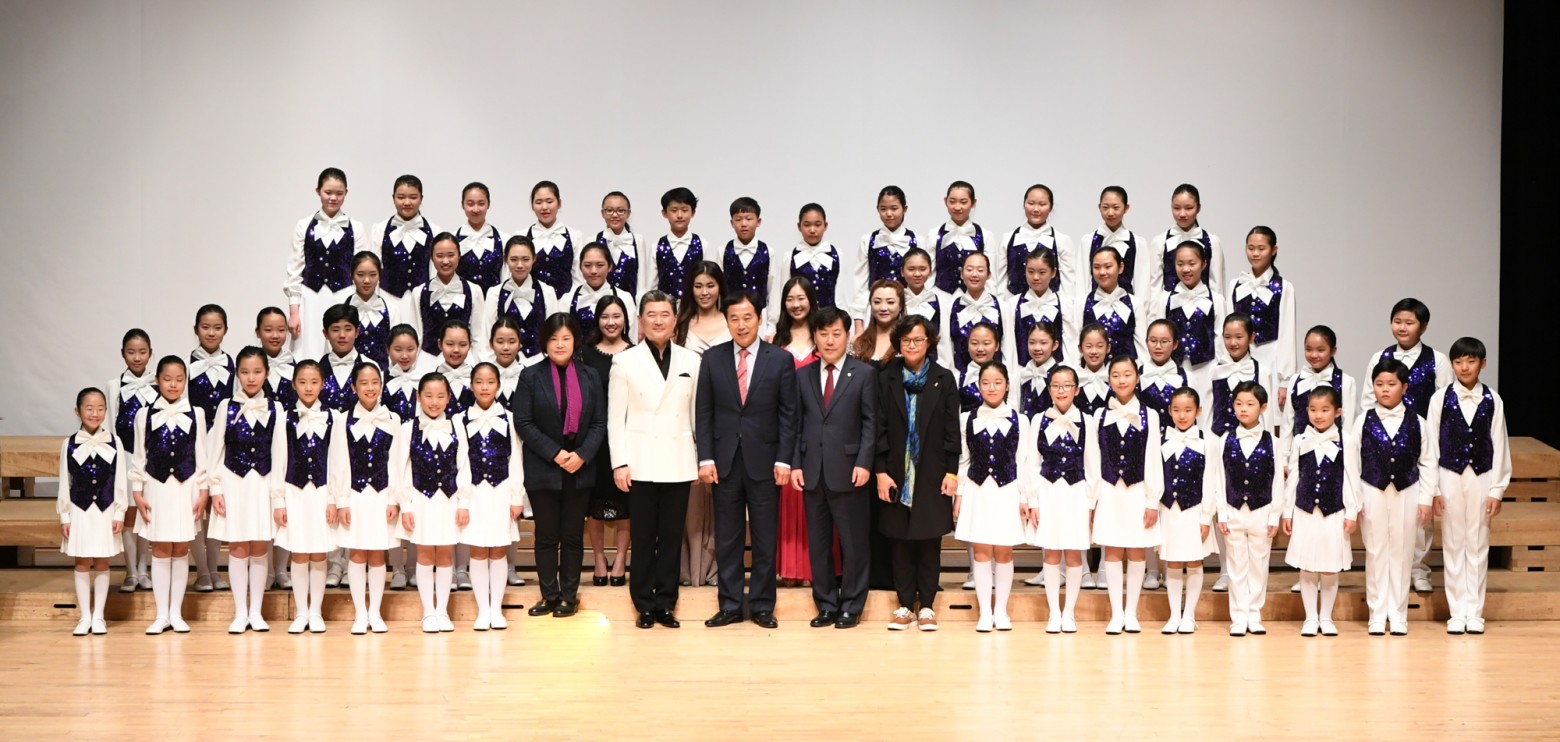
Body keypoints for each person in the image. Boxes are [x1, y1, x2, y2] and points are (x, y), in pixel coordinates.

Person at [696, 291, 798, 628]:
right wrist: (705, 458)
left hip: (766, 461)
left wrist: (784, 460)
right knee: (728, 538)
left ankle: (762, 605)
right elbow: (704, 412)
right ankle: (729, 605)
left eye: (747, 317)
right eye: (734, 318)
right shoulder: (712, 358)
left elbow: (789, 415)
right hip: (724, 461)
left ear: (759, 319)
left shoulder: (779, 359)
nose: (741, 325)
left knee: (765, 538)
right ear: (727, 321)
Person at [608, 292, 701, 629]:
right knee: (644, 536)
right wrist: (619, 462)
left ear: (675, 320)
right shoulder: (625, 362)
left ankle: (666, 604)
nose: (658, 320)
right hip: (640, 461)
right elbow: (614, 418)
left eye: (664, 314)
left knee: (672, 537)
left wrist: (698, 459)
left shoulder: (692, 360)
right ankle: (644, 605)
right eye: (651, 314)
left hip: (678, 460)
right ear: (640, 321)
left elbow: (696, 416)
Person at [515, 314, 606, 618]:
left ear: (575, 341)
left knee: (571, 536)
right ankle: (549, 595)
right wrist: (555, 453)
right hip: (544, 466)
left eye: (566, 338)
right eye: (553, 339)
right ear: (544, 342)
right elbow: (523, 422)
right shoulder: (530, 376)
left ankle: (568, 595)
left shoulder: (590, 376)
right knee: (546, 535)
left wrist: (581, 455)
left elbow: (599, 423)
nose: (559, 344)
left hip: (579, 467)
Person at [792, 307, 878, 629]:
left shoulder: (864, 374)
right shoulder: (803, 375)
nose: (830, 340)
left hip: (850, 470)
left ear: (847, 335)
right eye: (823, 334)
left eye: (836, 334)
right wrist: (796, 464)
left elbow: (871, 423)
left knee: (853, 544)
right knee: (819, 544)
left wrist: (864, 462)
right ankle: (826, 604)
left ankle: (852, 605)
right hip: (812, 471)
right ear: (815, 337)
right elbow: (796, 424)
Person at [1361, 297, 1452, 594]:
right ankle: (1387, 570)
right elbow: (1367, 401)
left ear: (1422, 327)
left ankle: (1419, 568)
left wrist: (1432, 442)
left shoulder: (1437, 360)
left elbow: (1442, 404)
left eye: (1409, 322)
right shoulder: (1380, 357)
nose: (1402, 327)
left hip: (1419, 441)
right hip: (1384, 441)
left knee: (1419, 509)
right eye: (1397, 321)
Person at [875, 316, 958, 631]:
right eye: (906, 340)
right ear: (898, 342)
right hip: (895, 471)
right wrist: (880, 471)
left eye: (918, 340)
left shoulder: (943, 378)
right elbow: (879, 427)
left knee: (929, 540)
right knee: (900, 541)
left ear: (929, 342)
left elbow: (952, 430)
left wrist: (951, 472)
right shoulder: (887, 377)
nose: (912, 345)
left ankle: (927, 607)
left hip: (932, 470)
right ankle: (904, 605)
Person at [1428, 337, 1511, 635]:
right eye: (1458, 361)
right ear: (1452, 364)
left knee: (1477, 542)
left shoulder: (1493, 399)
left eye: (1471, 361)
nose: (1464, 367)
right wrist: (1434, 489)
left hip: (1481, 476)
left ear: (1482, 364)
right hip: (1448, 475)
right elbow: (1431, 445)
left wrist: (1497, 490)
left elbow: (1499, 444)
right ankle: (1456, 612)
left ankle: (1474, 611)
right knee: (1453, 543)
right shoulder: (1439, 398)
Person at [1351, 359, 1439, 636]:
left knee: (1402, 553)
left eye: (1391, 384)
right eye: (1379, 384)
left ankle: (1399, 614)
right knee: (1376, 552)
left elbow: (1428, 462)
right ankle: (1377, 614)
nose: (1385, 390)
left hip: (1407, 491)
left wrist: (1426, 499)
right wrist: (1355, 499)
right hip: (1372, 490)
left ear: (1405, 387)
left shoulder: (1418, 422)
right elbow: (1352, 462)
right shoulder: (1362, 420)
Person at [130, 356, 209, 634]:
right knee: (162, 548)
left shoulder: (196, 413)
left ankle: (176, 613)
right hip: (157, 487)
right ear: (157, 380)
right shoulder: (144, 415)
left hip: (186, 487)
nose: (173, 384)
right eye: (167, 379)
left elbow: (201, 456)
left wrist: (204, 491)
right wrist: (137, 492)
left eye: (179, 379)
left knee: (180, 548)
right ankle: (161, 614)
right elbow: (139, 457)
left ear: (185, 381)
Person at [206, 347, 283, 634]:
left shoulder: (276, 408)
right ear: (237, 374)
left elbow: (280, 454)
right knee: (238, 546)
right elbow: (215, 450)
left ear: (267, 373)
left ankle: (256, 612)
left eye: (257, 372)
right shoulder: (225, 406)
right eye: (245, 372)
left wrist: (277, 495)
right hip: (233, 483)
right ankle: (240, 612)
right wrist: (215, 489)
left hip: (262, 482)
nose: (251, 378)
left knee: (260, 546)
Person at [957, 361, 1036, 633]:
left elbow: (1024, 461)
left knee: (1003, 551)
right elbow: (964, 460)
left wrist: (1026, 497)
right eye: (986, 383)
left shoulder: (1020, 420)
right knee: (981, 552)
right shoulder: (966, 418)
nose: (991, 388)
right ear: (978, 386)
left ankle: (1001, 610)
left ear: (1007, 385)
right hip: (977, 489)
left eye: (997, 382)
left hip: (1007, 490)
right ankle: (985, 612)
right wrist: (959, 494)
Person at [1088, 355, 1164, 635]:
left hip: (1138, 490)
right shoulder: (1099, 415)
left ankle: (1131, 612)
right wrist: (1092, 499)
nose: (1122, 380)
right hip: (1109, 491)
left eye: (1127, 374)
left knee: (1135, 549)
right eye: (1116, 375)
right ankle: (1116, 613)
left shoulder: (1150, 415)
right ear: (1109, 379)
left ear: (1137, 377)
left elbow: (1153, 458)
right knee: (1111, 550)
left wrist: (1152, 500)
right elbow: (1093, 460)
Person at [1281, 385, 1359, 637]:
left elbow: (1351, 478)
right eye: (1313, 409)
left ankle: (1326, 616)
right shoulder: (1300, 440)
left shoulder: (1347, 441)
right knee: (1307, 565)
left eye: (1324, 410)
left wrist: (1352, 511)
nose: (1318, 415)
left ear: (1337, 412)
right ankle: (1310, 617)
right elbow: (1294, 477)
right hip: (1305, 510)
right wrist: (1287, 512)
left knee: (1329, 565)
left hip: (1333, 511)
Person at [395, 373, 469, 634]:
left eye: (440, 396)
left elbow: (464, 466)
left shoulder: (457, 427)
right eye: (428, 396)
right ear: (418, 397)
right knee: (425, 553)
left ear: (448, 398)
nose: (434, 402)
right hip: (421, 500)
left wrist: (464, 502)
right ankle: (428, 611)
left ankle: (443, 611)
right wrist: (405, 506)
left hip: (449, 500)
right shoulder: (408, 429)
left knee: (445, 554)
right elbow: (400, 470)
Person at [330, 362, 401, 634]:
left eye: (375, 382)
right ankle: (360, 613)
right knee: (358, 553)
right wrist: (342, 502)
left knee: (378, 554)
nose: (370, 388)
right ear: (353, 387)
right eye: (364, 383)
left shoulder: (393, 419)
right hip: (355, 496)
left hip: (382, 495)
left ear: (381, 385)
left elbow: (396, 462)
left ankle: (376, 612)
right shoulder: (342, 420)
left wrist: (394, 498)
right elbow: (339, 461)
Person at [456, 363, 527, 629]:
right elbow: (461, 464)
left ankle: (496, 609)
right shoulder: (460, 419)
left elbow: (516, 460)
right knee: (477, 550)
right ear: (471, 385)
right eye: (479, 382)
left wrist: (517, 497)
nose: (484, 387)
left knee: (498, 550)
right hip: (474, 493)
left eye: (490, 382)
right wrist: (463, 501)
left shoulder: (509, 418)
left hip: (501, 493)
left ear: (498, 385)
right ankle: (482, 610)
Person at [674, 262, 728, 588]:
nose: (704, 292)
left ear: (720, 287)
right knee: (690, 496)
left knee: (722, 494)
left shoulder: (731, 320)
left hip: (725, 415)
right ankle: (689, 569)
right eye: (698, 286)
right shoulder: (680, 324)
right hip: (685, 415)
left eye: (710, 285)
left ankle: (716, 567)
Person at [1027, 366, 1093, 632]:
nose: (1061, 390)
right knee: (1052, 552)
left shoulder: (1087, 420)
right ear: (1049, 389)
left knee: (1074, 553)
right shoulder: (1038, 420)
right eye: (1056, 385)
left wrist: (1091, 502)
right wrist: (1033, 500)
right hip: (1048, 491)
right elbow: (1032, 463)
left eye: (1067, 386)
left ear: (1076, 390)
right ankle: (1054, 612)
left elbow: (1093, 464)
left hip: (1077, 492)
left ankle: (1069, 613)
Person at [275, 361, 338, 634]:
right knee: (299, 551)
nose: (308, 387)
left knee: (319, 551)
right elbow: (279, 459)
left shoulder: (334, 417)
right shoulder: (284, 417)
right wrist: (279, 500)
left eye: (314, 382)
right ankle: (301, 612)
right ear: (293, 384)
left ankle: (316, 612)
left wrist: (334, 498)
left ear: (322, 384)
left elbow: (337, 461)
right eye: (302, 382)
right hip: (294, 492)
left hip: (322, 492)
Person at [59, 388, 129, 636]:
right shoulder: (69, 443)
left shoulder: (115, 442)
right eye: (89, 408)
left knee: (101, 560)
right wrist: (64, 515)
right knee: (81, 561)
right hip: (79, 510)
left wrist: (120, 512)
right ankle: (84, 616)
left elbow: (120, 480)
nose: (95, 413)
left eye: (100, 408)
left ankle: (99, 616)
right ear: (77, 411)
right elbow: (64, 482)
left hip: (105, 510)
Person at [1216, 381, 1283, 637]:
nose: (1243, 409)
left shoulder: (1273, 441)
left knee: (1259, 565)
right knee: (1236, 566)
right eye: (1238, 404)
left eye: (1250, 404)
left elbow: (1278, 481)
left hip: (1261, 511)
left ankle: (1254, 614)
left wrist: (1274, 515)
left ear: (1263, 407)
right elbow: (1219, 478)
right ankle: (1238, 616)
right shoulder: (1225, 439)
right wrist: (1222, 512)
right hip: (1233, 510)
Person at [285, 167, 368, 360]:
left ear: (346, 193)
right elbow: (294, 271)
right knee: (309, 353)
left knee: (342, 352)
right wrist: (294, 312)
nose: (333, 198)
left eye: (339, 193)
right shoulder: (304, 225)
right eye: (328, 192)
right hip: (310, 298)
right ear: (318, 191)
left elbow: (363, 270)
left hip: (344, 297)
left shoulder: (356, 227)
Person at [1157, 388, 1219, 634]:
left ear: (1199, 411)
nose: (1182, 415)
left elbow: (1210, 481)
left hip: (1195, 510)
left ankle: (1189, 615)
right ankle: (1174, 615)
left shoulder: (1207, 442)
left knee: (1194, 559)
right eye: (1176, 410)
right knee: (1173, 561)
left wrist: (1206, 517)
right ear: (1170, 411)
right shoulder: (1162, 440)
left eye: (1188, 410)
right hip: (1169, 510)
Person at [580, 296, 633, 586]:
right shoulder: (584, 353)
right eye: (605, 317)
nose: (611, 322)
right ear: (597, 320)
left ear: (625, 319)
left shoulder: (636, 352)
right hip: (594, 440)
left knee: (626, 502)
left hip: (628, 438)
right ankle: (599, 558)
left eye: (616, 316)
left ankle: (621, 559)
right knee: (594, 505)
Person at [772, 277, 821, 587]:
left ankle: (816, 571)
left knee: (816, 501)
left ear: (811, 300)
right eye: (790, 298)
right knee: (789, 499)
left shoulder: (824, 337)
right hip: (784, 432)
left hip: (818, 431)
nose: (796, 304)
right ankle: (790, 570)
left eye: (801, 298)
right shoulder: (774, 341)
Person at [185, 305, 231, 592]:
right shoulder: (185, 368)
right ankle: (201, 570)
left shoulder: (234, 366)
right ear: (195, 330)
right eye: (205, 327)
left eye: (217, 327)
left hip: (222, 447)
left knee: (217, 508)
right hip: (194, 444)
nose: (211, 332)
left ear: (226, 330)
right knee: (195, 507)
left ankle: (214, 570)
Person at [108, 329, 155, 593]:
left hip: (150, 459)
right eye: (131, 352)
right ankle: (130, 572)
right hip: (124, 458)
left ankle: (144, 569)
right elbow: (109, 426)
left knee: (146, 512)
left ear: (150, 353)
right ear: (122, 354)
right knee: (127, 513)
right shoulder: (114, 386)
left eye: (142, 352)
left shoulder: (159, 384)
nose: (137, 358)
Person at [1152, 240, 1224, 404]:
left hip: (1206, 368)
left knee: (1204, 411)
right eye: (1180, 264)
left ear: (1203, 264)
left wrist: (1216, 369)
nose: (1186, 269)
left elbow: (1220, 337)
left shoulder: (1216, 300)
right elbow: (1159, 335)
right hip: (1173, 369)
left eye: (1192, 264)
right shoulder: (1165, 299)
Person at [1229, 225, 1297, 385]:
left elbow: (1287, 334)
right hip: (1240, 362)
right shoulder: (1236, 285)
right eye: (1250, 248)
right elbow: (1228, 328)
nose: (1255, 253)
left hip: (1272, 359)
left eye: (1261, 248)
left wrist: (1285, 380)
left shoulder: (1284, 287)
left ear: (1274, 250)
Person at [365, 174, 439, 318]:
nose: (407, 202)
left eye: (413, 197)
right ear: (393, 198)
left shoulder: (435, 231)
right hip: (388, 298)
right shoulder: (379, 229)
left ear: (421, 198)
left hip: (422, 300)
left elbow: (435, 271)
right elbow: (372, 268)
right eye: (401, 197)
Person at [482, 235, 562, 367]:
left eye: (525, 259)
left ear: (534, 258)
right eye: (514, 259)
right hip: (503, 366)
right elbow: (487, 335)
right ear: (505, 259)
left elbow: (553, 334)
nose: (520, 265)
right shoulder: (494, 293)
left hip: (539, 364)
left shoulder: (547, 292)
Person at [410, 232, 488, 366]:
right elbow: (416, 336)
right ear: (431, 258)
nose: (445, 261)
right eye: (440, 256)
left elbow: (478, 337)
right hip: (428, 363)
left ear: (459, 256)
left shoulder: (474, 290)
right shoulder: (419, 292)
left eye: (451, 255)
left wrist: (477, 367)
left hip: (465, 363)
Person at [854, 185, 920, 328]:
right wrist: (858, 323)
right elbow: (860, 284)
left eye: (894, 208)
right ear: (877, 209)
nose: (889, 214)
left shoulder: (917, 240)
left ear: (905, 209)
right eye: (883, 209)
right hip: (876, 311)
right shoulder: (868, 240)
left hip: (908, 309)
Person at [1147, 184, 1226, 297]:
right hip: (1170, 306)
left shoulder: (1212, 242)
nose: (1182, 214)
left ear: (1198, 208)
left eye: (1188, 208)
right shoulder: (1160, 242)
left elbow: (1217, 286)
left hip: (1204, 306)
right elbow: (1155, 287)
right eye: (1177, 208)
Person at [1000, 185, 1078, 295]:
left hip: (1051, 304)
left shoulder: (1062, 240)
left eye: (1042, 204)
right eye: (1031, 203)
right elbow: (1000, 281)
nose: (1036, 209)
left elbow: (1068, 285)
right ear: (1024, 204)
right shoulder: (1008, 238)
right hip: (1013, 303)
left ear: (1051, 207)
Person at [719, 197, 780, 337]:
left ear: (758, 221)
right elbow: (719, 291)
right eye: (738, 219)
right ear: (731, 223)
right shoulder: (723, 251)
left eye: (748, 218)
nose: (743, 224)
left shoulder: (768, 252)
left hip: (760, 320)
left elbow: (773, 291)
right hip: (730, 320)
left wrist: (772, 326)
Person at [1072, 246, 1145, 362]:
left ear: (1120, 267)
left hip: (1125, 371)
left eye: (1108, 266)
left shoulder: (1135, 303)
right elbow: (1075, 342)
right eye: (1096, 267)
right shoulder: (1082, 303)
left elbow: (1142, 347)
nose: (1102, 272)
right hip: (1091, 371)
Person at [1002, 246, 1070, 368]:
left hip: (1056, 374)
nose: (1035, 277)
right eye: (1030, 271)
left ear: (1053, 272)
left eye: (1042, 272)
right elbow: (1008, 346)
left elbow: (1070, 345)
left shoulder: (1065, 305)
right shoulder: (1012, 304)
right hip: (1022, 373)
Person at [938, 252, 1004, 373]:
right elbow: (945, 347)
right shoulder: (949, 306)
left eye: (980, 270)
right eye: (969, 269)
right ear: (961, 274)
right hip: (960, 376)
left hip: (994, 377)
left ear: (989, 275)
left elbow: (1008, 346)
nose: (974, 274)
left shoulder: (1001, 306)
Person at [563, 242, 638, 345]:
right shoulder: (567, 300)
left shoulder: (625, 298)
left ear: (610, 266)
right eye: (587, 265)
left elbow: (632, 339)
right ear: (580, 267)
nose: (593, 271)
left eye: (600, 265)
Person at [777, 203, 841, 316]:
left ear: (825, 226)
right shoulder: (790, 257)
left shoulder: (837, 255)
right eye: (807, 225)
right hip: (800, 320)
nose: (812, 230)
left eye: (817, 224)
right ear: (799, 226)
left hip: (829, 319)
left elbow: (841, 295)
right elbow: (785, 295)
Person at [341, 252, 399, 370]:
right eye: (360, 275)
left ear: (380, 276)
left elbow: (397, 348)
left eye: (373, 275)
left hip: (382, 375)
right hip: (349, 374)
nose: (367, 280)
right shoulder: (341, 309)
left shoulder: (392, 310)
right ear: (351, 275)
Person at [1083, 186, 1147, 294]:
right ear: (1099, 207)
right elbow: (1082, 282)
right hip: (1095, 303)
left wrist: (1138, 304)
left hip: (1126, 303)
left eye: (1116, 208)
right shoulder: (1088, 241)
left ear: (1126, 208)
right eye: (1105, 207)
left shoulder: (1137, 242)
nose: (1110, 213)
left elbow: (1142, 285)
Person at [646, 187, 705, 301]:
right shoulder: (656, 246)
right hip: (665, 308)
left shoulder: (703, 244)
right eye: (674, 210)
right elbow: (652, 285)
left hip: (694, 307)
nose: (679, 215)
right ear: (664, 213)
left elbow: (707, 279)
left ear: (693, 213)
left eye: (684, 210)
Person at [524, 180, 582, 296]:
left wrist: (570, 301)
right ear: (532, 205)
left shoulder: (574, 235)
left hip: (565, 303)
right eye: (539, 202)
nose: (544, 207)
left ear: (559, 203)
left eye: (549, 201)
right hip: (532, 302)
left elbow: (578, 276)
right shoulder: (523, 235)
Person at [930, 181, 988, 293]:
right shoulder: (934, 234)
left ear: (973, 203)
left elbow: (990, 277)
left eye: (963, 202)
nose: (957, 207)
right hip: (941, 296)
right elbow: (929, 272)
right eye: (952, 201)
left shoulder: (985, 235)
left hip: (975, 297)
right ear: (945, 201)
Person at [454, 182, 506, 293]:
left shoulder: (504, 239)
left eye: (481, 203)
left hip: (494, 301)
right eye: (470, 204)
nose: (476, 209)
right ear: (462, 205)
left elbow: (506, 277)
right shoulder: (453, 239)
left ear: (488, 204)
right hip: (462, 301)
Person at [594, 191, 644, 298]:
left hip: (631, 305)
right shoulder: (593, 240)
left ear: (628, 213)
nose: (615, 215)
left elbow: (641, 279)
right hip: (601, 303)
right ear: (602, 213)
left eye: (621, 210)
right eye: (609, 210)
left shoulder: (638, 240)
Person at [851, 279, 904, 367]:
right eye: (877, 302)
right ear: (871, 304)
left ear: (901, 306)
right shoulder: (858, 341)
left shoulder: (908, 341)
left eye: (890, 302)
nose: (883, 308)